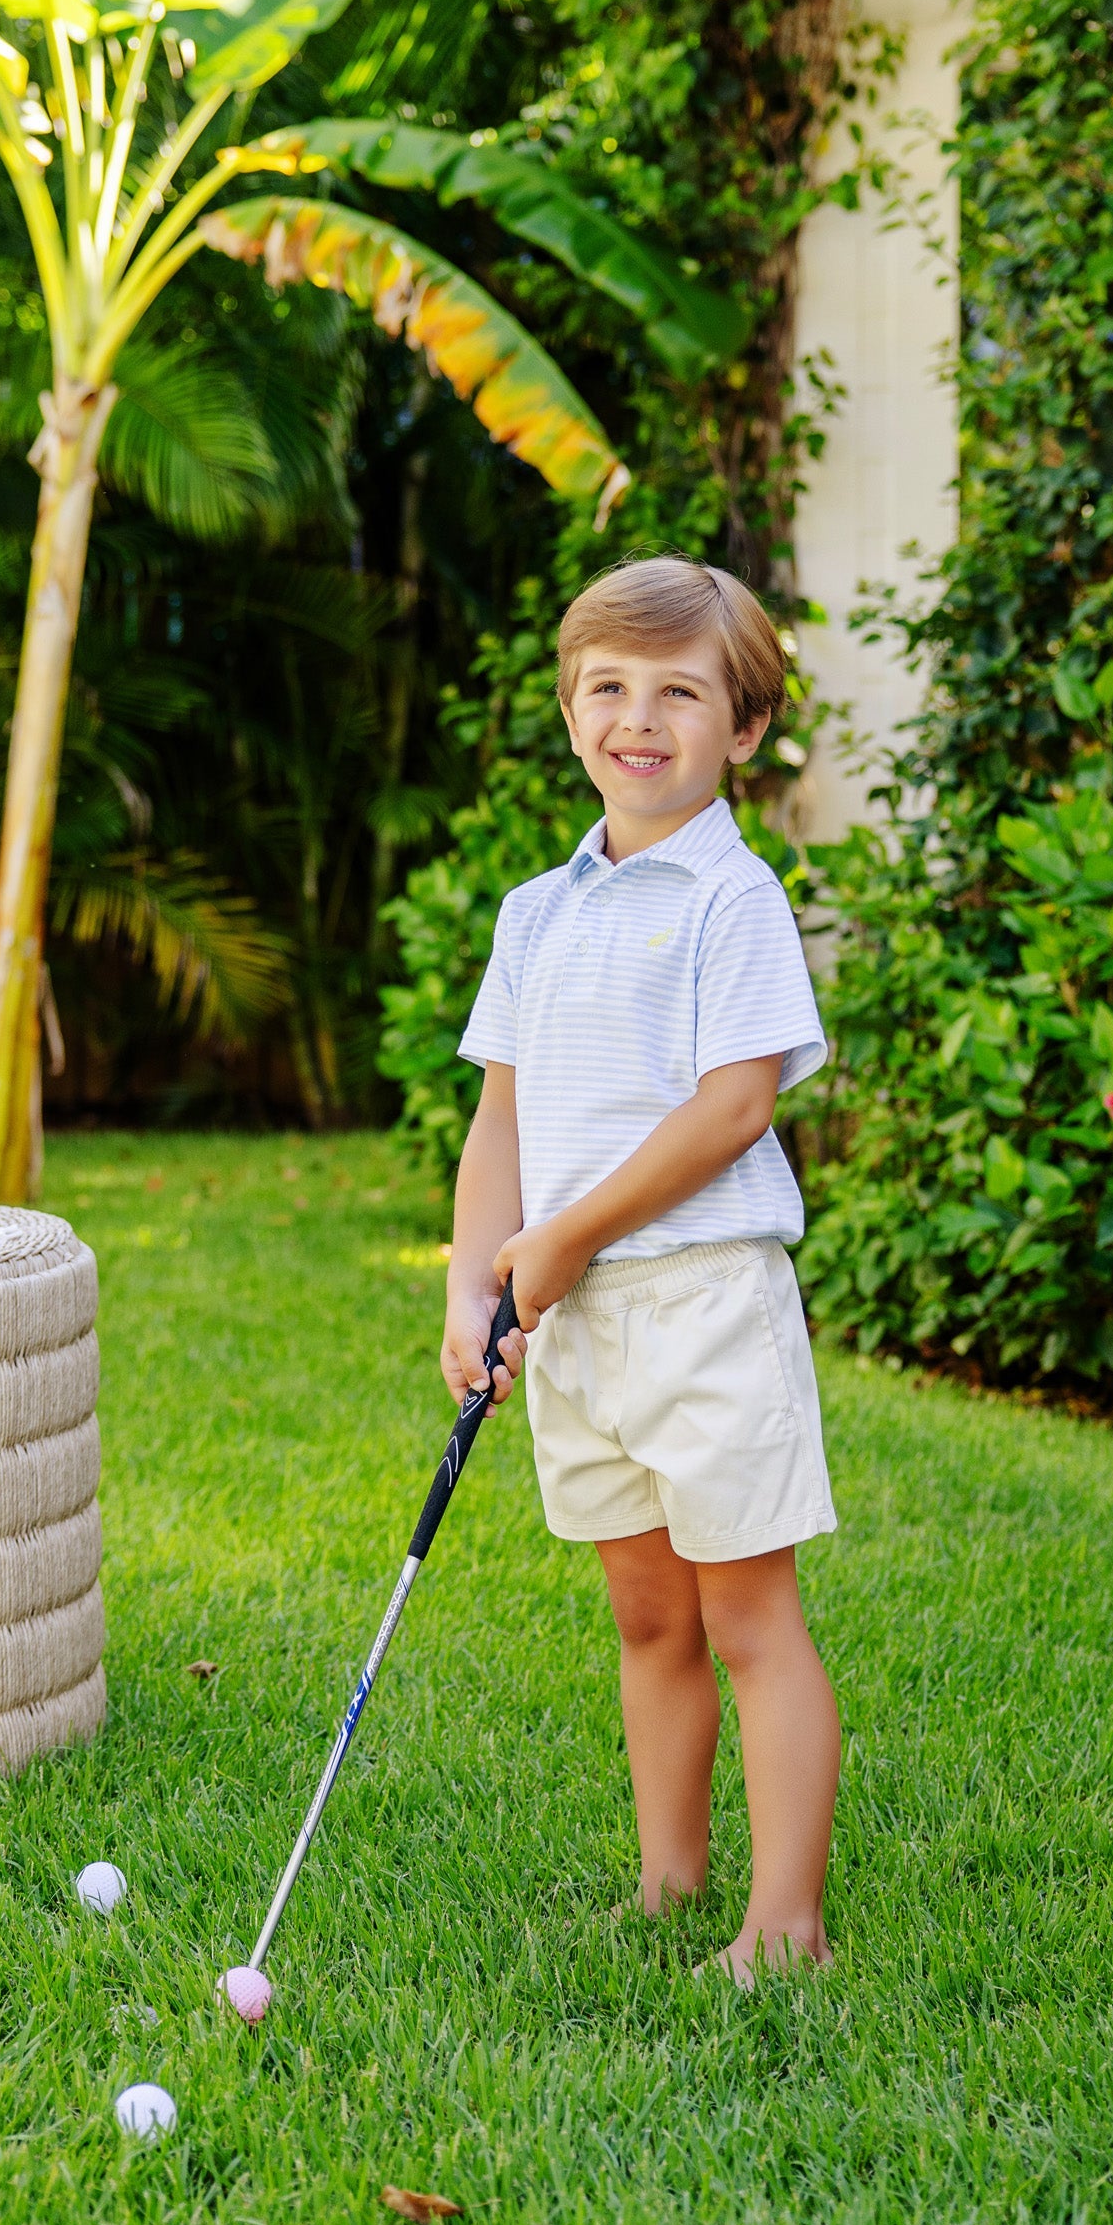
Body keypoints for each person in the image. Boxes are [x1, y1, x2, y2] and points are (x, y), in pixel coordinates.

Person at [442, 554, 839, 1983]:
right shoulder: (535, 913)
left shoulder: (733, 901)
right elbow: (506, 1113)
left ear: (741, 729)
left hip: (702, 1306)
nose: (638, 718)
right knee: (646, 1606)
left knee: (746, 1611)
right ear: (569, 709)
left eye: (681, 692)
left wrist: (560, 1239)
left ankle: (784, 1924)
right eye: (608, 687)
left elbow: (735, 1109)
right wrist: (473, 1285)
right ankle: (673, 1882)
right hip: (575, 1319)